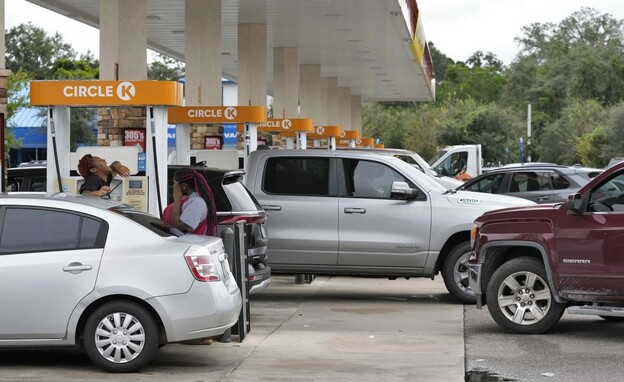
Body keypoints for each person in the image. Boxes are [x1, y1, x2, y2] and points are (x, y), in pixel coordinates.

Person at [162, 168, 217, 236]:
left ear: (184, 186)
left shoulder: (197, 203)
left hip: (186, 245)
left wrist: (177, 201)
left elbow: (180, 228)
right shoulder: (185, 198)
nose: (173, 186)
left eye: (175, 183)